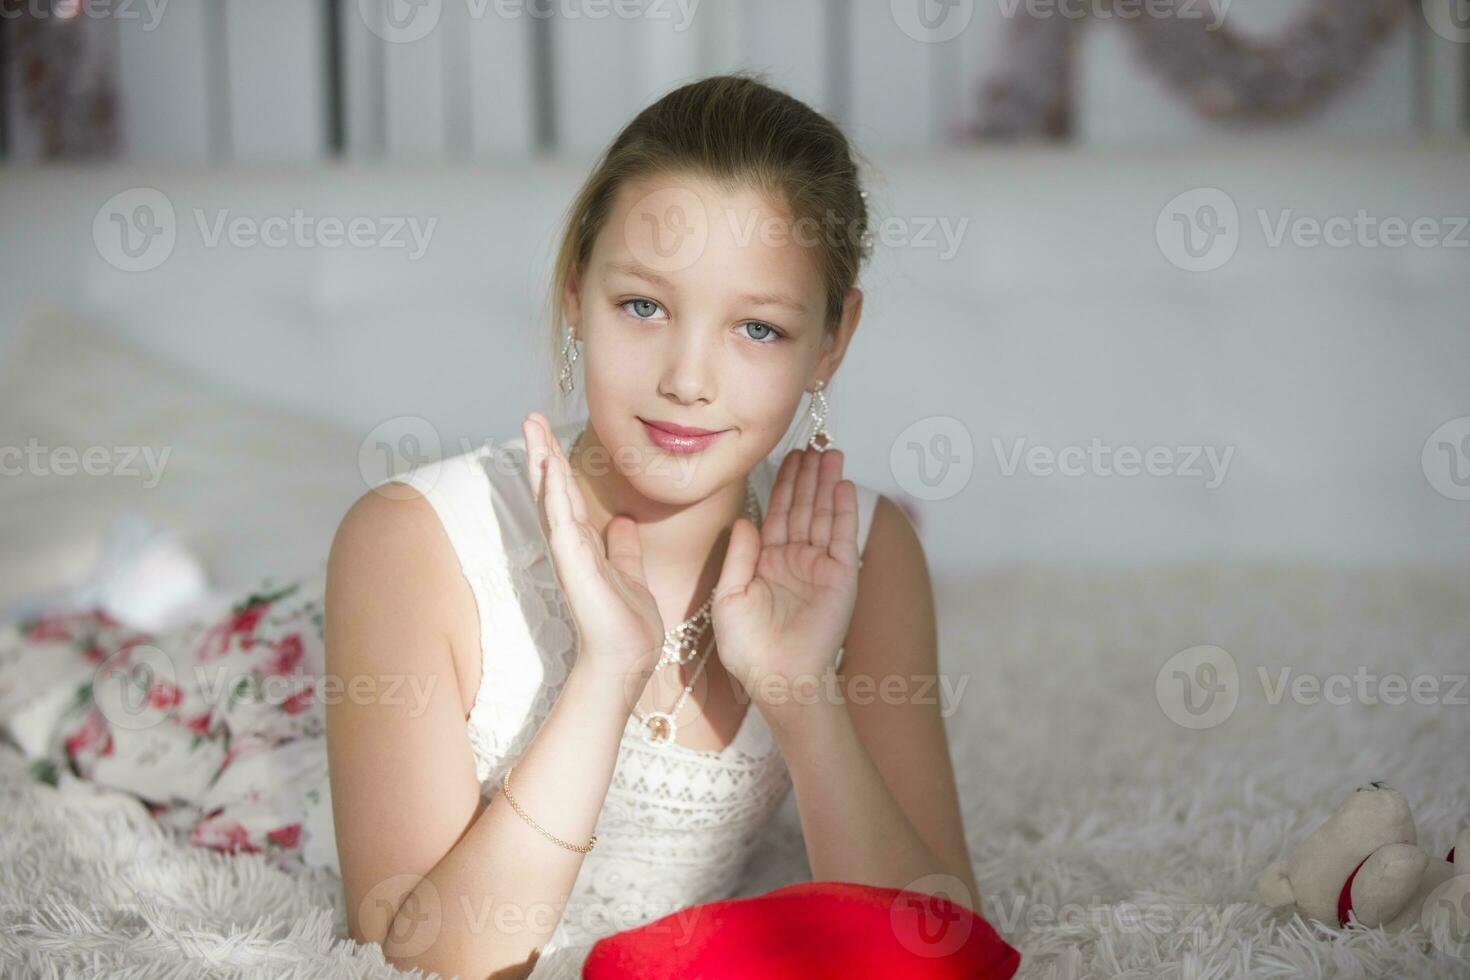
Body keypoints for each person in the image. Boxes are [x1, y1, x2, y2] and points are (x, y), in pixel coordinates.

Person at [318, 72, 979, 979]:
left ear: (833, 339)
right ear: (573, 289)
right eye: (643, 307)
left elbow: (943, 949)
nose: (688, 379)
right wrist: (606, 676)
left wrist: (797, 693)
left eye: (758, 329)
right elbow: (419, 962)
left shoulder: (863, 554)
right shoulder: (408, 544)